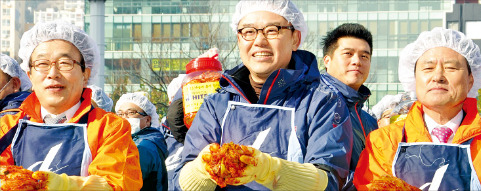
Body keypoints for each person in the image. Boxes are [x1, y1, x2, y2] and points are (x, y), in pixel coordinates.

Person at [174, 0, 353, 190]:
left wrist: (270, 170)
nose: (259, 41)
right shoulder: (216, 104)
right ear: (239, 40)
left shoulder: (322, 102)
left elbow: (331, 180)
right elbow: (180, 181)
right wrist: (201, 171)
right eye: (249, 32)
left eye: (272, 30)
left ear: (295, 39)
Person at [0, 20, 142, 190]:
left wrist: (62, 185)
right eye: (42, 64)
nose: (52, 74)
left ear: (85, 75)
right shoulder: (7, 127)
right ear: (30, 76)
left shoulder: (109, 129)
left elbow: (116, 184)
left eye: (65, 63)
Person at [353, 27, 481, 190]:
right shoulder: (384, 141)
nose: (438, 77)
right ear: (414, 78)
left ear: (470, 80)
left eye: (451, 68)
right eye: (428, 68)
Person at [320, 23, 378, 190]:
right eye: (348, 54)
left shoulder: (368, 119)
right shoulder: (316, 103)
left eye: (364, 56)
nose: (356, 61)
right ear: (327, 60)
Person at [115, 92, 168, 191]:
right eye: (120, 114)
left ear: (147, 120)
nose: (124, 118)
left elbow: (125, 183)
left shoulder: (143, 147)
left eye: (131, 113)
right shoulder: (145, 140)